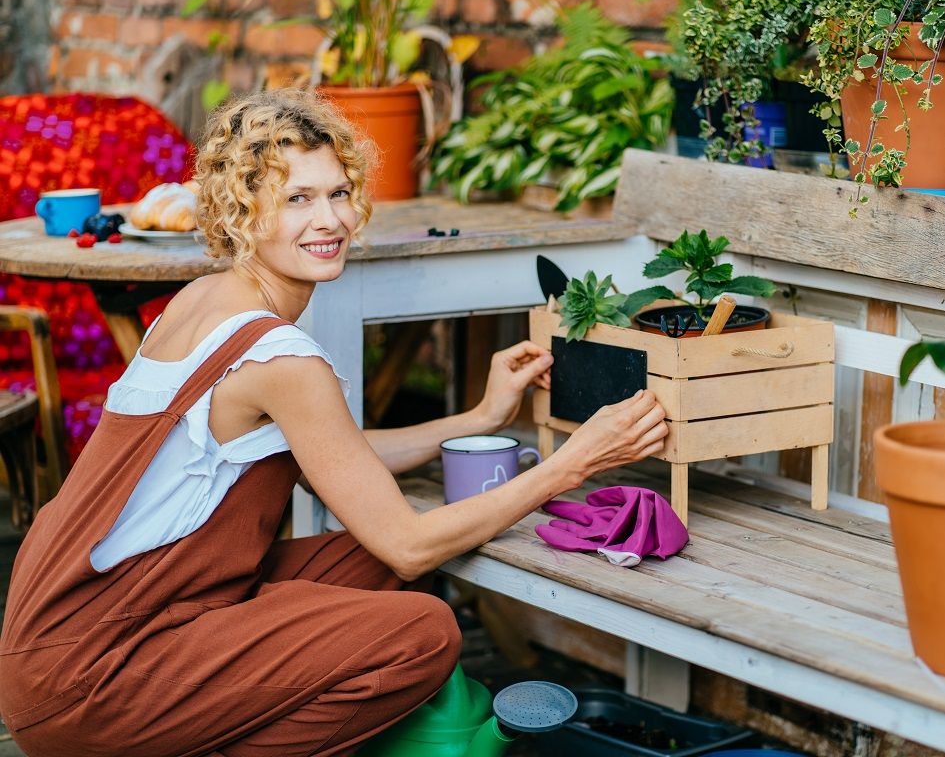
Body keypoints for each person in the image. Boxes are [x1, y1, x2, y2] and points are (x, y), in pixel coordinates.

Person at [0, 89, 668, 757]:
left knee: (368, 563)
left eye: (339, 193)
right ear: (243, 213)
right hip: (94, 673)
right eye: (297, 199)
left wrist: (482, 416)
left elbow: (334, 454)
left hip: (65, 637)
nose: (330, 220)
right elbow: (409, 541)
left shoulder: (200, 299)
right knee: (424, 632)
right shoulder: (281, 358)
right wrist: (572, 462)